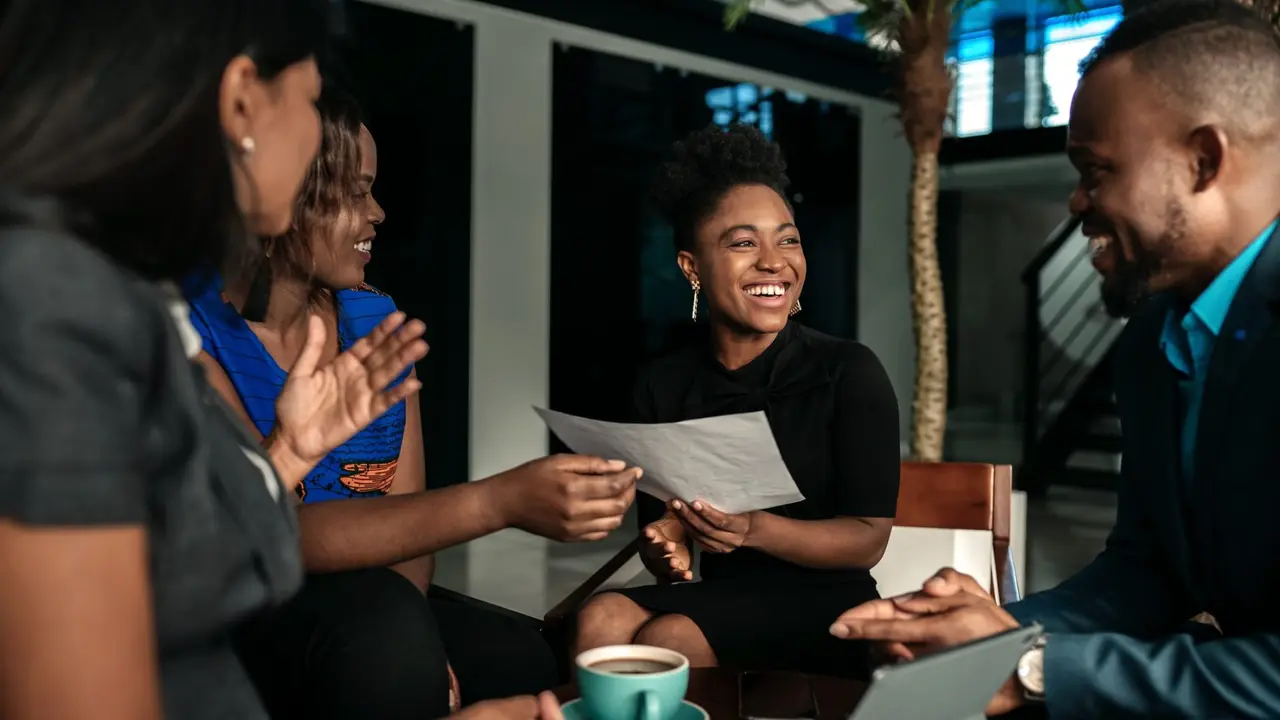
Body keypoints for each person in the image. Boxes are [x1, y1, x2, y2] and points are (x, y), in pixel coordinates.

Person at [830, 1, 1280, 716]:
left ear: (1204, 160)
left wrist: (1034, 667)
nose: (1075, 203)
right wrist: (992, 640)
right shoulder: (1150, 344)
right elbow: (1147, 575)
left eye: (1095, 170)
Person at [0, 1, 430, 719]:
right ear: (240, 103)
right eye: (310, 100)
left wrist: (289, 451)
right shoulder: (55, 306)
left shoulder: (119, 294)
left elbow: (171, 575)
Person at [189, 87, 639, 718]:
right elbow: (277, 533)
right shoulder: (193, 334)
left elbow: (407, 524)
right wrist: (500, 500)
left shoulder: (377, 321)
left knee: (522, 659)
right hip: (249, 604)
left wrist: (420, 641)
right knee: (384, 632)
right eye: (355, 193)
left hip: (376, 601)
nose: (377, 213)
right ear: (281, 194)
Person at [573, 124, 900, 678]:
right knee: (600, 617)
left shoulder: (848, 370)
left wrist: (755, 528)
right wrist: (665, 550)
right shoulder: (661, 385)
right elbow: (665, 544)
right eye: (744, 243)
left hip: (828, 606)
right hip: (723, 598)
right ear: (692, 267)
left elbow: (868, 540)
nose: (774, 262)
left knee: (670, 636)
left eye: (788, 239)